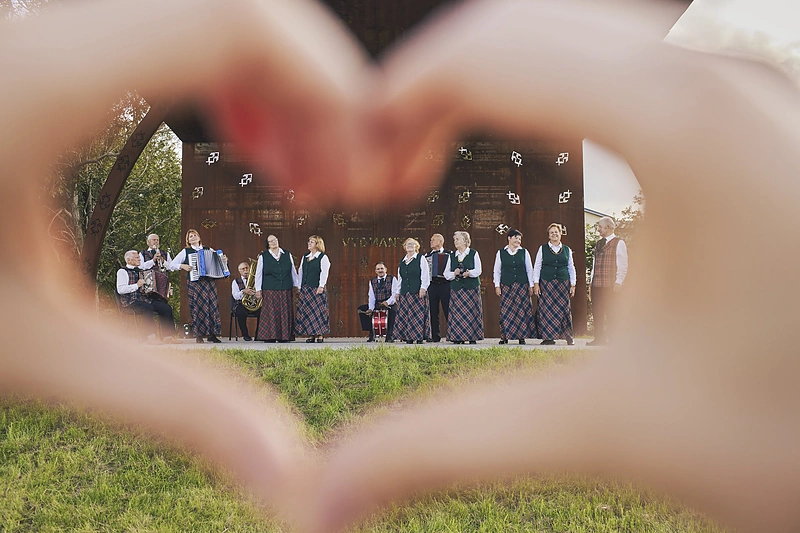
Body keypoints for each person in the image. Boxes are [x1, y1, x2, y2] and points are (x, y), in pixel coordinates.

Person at [6, 2, 800, 533]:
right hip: (336, 299)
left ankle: (522, 341)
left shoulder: (511, 249)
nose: (311, 245)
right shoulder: (283, 254)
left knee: (465, 313)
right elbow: (318, 276)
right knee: (312, 314)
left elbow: (432, 275)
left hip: (498, 293)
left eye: (434, 245)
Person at [169, 229, 226, 343]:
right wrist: (182, 266)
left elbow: (218, 261)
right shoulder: (186, 251)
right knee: (198, 307)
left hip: (209, 281)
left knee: (212, 307)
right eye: (191, 236)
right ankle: (199, 335)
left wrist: (223, 260)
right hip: (195, 282)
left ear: (199, 238)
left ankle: (212, 334)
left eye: (195, 235)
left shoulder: (208, 249)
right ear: (188, 240)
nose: (193, 237)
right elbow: (171, 265)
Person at [116, 250, 181, 345]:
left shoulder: (142, 270)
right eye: (137, 258)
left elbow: (148, 287)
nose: (139, 259)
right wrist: (136, 285)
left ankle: (168, 336)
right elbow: (120, 290)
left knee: (166, 308)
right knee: (147, 308)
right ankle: (150, 336)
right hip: (130, 301)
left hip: (145, 299)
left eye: (139, 257)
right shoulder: (122, 271)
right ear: (129, 260)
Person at [532, 223, 577, 345]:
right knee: (546, 310)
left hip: (563, 283)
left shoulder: (567, 249)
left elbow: (571, 267)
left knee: (564, 309)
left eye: (556, 232)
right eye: (551, 232)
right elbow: (537, 266)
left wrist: (573, 284)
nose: (554, 234)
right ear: (549, 235)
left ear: (560, 233)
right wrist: (536, 283)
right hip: (547, 283)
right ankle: (548, 337)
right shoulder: (543, 248)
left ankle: (568, 337)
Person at [588, 216, 628, 346]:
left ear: (608, 227)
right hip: (597, 284)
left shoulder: (619, 243)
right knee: (597, 311)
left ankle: (614, 339)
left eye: (600, 227)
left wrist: (619, 282)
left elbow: (622, 264)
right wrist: (591, 283)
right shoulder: (599, 243)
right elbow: (594, 264)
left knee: (611, 312)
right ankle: (599, 338)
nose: (598, 229)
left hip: (611, 284)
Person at [492, 229, 535, 345]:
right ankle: (504, 337)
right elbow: (497, 271)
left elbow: (529, 269)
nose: (518, 241)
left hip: (521, 285)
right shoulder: (501, 252)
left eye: (520, 239)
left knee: (521, 311)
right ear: (509, 238)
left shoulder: (524, 252)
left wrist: (531, 285)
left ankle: (521, 337)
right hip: (506, 285)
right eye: (516, 238)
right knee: (506, 311)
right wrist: (497, 285)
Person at [255, 235, 298, 343]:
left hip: (285, 288)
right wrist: (258, 289)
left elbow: (293, 271)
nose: (274, 242)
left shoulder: (287, 254)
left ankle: (285, 336)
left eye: (275, 240)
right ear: (268, 244)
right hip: (270, 288)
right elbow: (258, 274)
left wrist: (297, 285)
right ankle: (270, 336)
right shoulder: (263, 256)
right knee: (271, 313)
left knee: (285, 312)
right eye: (271, 241)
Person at [442, 231, 483, 344]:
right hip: (457, 288)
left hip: (471, 288)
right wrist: (454, 274)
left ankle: (472, 337)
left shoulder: (473, 253)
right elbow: (446, 274)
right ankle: (457, 337)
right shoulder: (452, 256)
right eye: (455, 240)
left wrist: (469, 273)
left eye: (457, 239)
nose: (455, 242)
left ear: (465, 241)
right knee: (457, 314)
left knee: (472, 313)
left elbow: (478, 270)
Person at [391, 238, 431, 344]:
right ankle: (408, 337)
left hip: (417, 291)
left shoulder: (420, 258)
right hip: (405, 292)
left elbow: (425, 274)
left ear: (416, 246)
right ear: (405, 246)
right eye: (408, 244)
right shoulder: (402, 261)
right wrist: (397, 292)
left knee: (417, 315)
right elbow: (400, 278)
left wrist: (423, 287)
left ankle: (418, 337)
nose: (410, 246)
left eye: (412, 244)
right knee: (406, 315)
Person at [295, 235, 330, 343]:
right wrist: (299, 286)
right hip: (306, 288)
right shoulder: (305, 257)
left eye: (312, 242)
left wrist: (321, 286)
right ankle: (311, 334)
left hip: (316, 287)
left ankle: (319, 334)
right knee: (307, 312)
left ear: (317, 244)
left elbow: (324, 272)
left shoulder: (322, 257)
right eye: (309, 241)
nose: (309, 243)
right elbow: (300, 271)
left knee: (318, 312)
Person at [357, 261, 396, 342]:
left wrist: (387, 302)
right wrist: (371, 308)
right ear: (375, 271)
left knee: (394, 311)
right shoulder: (372, 281)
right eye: (378, 269)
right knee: (362, 309)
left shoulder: (392, 279)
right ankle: (372, 333)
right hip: (377, 303)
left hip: (389, 303)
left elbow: (395, 294)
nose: (380, 270)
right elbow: (371, 297)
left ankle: (390, 335)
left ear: (386, 269)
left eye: (382, 268)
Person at [424, 234, 452, 342]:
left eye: (433, 240)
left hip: (445, 284)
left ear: (440, 242)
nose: (431, 242)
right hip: (432, 284)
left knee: (448, 309)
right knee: (432, 310)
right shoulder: (427, 255)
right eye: (430, 240)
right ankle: (435, 336)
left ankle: (451, 335)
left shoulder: (449, 254)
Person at [139, 233, 176, 303]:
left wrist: (163, 261)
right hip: (149, 284)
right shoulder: (143, 253)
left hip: (162, 284)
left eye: (157, 240)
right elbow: (141, 267)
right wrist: (152, 261)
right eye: (154, 240)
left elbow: (172, 268)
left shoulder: (165, 253)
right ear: (148, 242)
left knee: (163, 303)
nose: (156, 241)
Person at [231, 261, 257, 341]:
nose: (246, 270)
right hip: (241, 303)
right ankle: (245, 335)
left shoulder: (256, 280)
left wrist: (255, 293)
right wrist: (243, 291)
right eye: (243, 269)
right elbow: (235, 296)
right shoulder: (235, 281)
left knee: (263, 311)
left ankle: (258, 334)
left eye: (247, 268)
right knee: (240, 312)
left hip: (254, 303)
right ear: (240, 271)